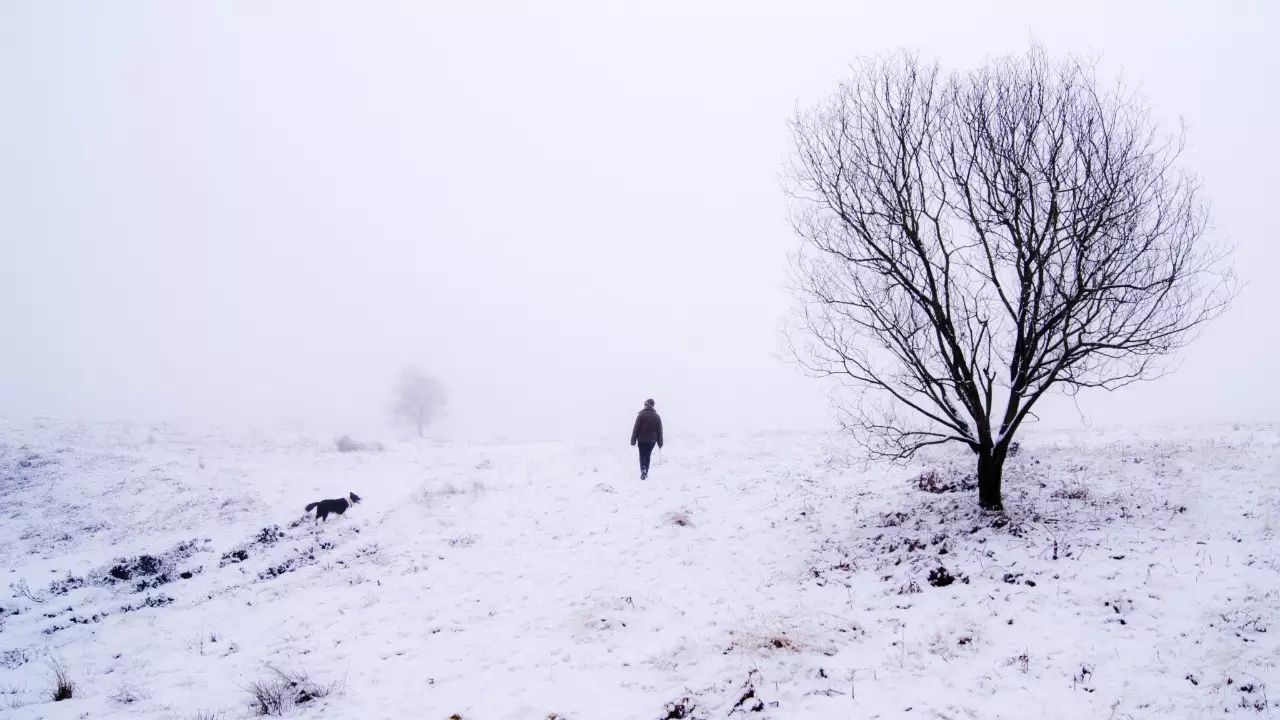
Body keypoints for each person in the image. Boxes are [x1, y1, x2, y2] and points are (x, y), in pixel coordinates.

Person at [629, 398, 664, 480]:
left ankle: (643, 470)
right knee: (648, 455)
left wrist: (633, 440)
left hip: (642, 439)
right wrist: (660, 442)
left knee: (642, 455)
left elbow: (636, 429)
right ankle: (646, 471)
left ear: (646, 405)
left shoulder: (641, 415)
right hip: (652, 441)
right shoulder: (657, 417)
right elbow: (660, 431)